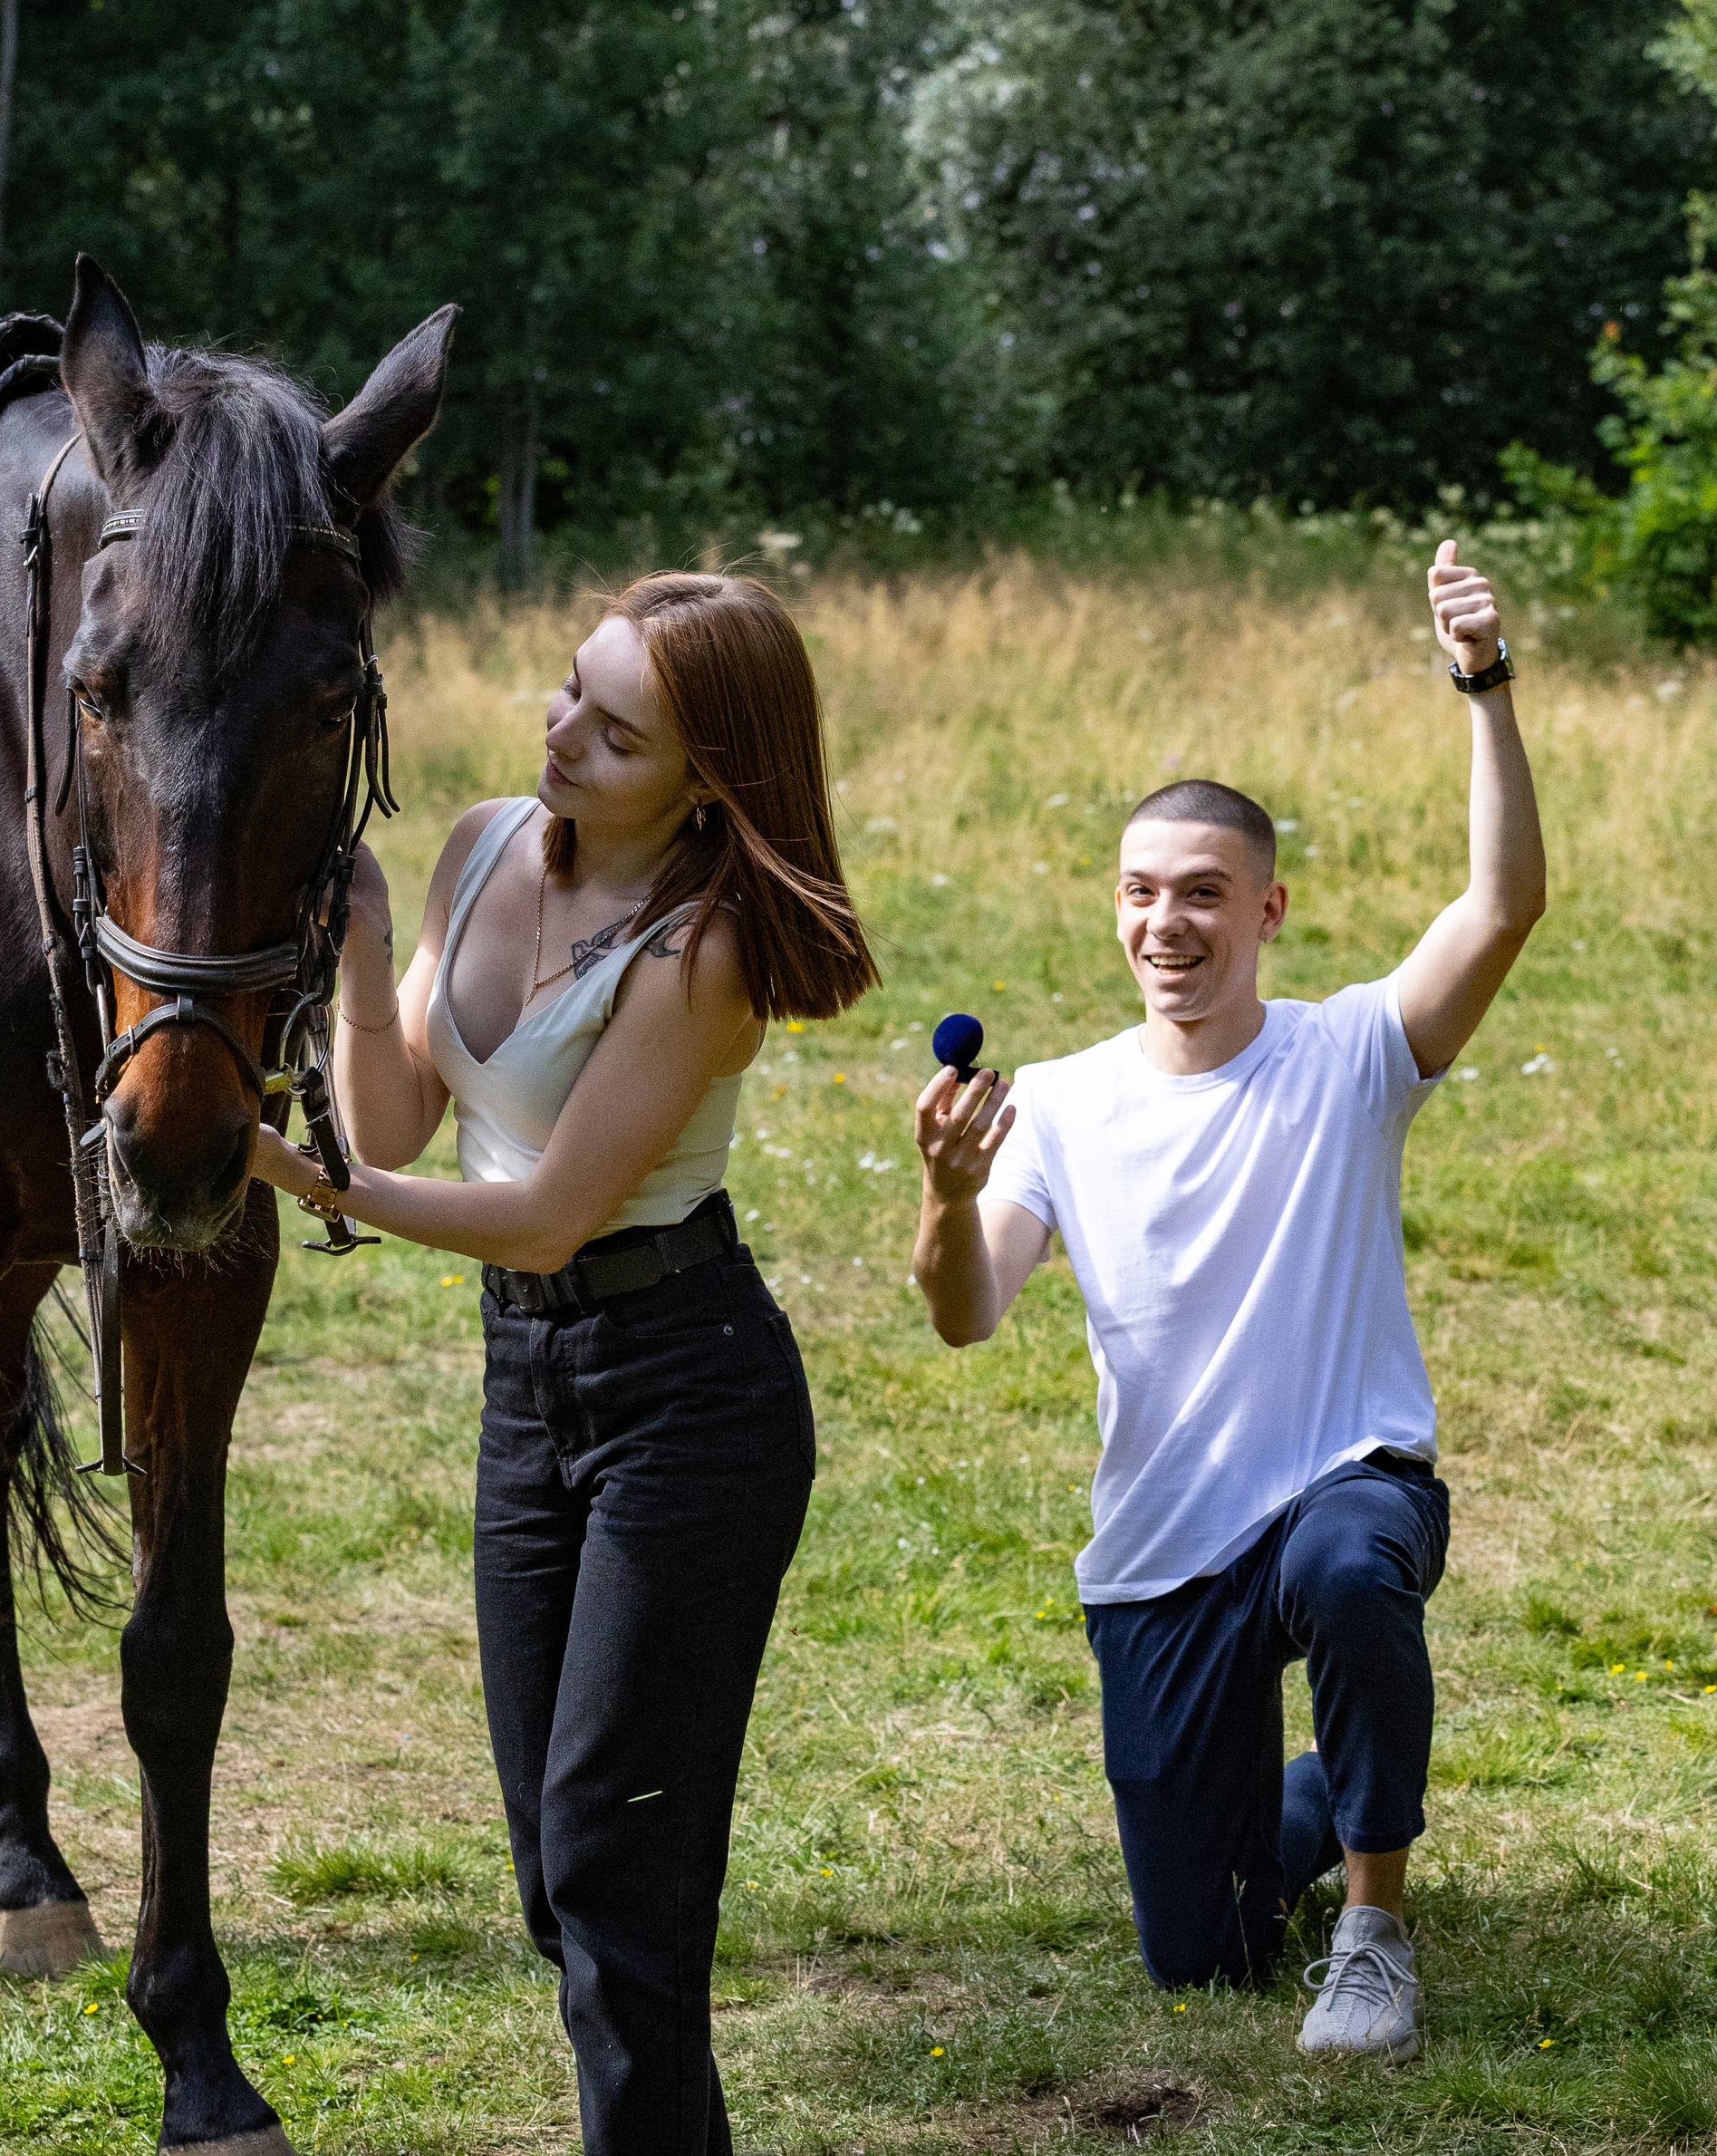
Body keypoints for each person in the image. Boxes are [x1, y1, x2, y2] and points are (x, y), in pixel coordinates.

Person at [249, 572, 876, 2151]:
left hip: (689, 1393)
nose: (564, 736)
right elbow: (396, 1118)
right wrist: (368, 942)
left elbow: (540, 1216)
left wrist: (282, 1174)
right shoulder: (480, 847)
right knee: (556, 1864)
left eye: (618, 731)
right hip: (530, 1392)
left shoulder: (705, 946)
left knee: (614, 1862)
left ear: (708, 777)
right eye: (567, 693)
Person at [907, 541, 1543, 2061]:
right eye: (1140, 895)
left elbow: (1504, 903)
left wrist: (1484, 683)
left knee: (1349, 1564)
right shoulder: (1056, 1105)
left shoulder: (1350, 1054)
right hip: (1165, 1548)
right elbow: (965, 1313)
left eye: (1203, 895)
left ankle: (1377, 1930)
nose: (1165, 926)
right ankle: (1331, 1785)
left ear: (1268, 909)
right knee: (1205, 1958)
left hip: (1346, 1482)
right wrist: (941, 1198)